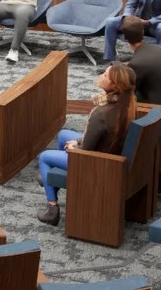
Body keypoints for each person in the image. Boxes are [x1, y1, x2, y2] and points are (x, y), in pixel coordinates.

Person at [36, 64, 135, 225]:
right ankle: (51, 180)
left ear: (114, 86)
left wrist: (75, 147)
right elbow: (99, 135)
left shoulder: (101, 114)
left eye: (105, 75)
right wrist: (78, 141)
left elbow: (87, 149)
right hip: (109, 150)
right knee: (63, 135)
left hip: (96, 162)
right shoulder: (126, 103)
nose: (101, 75)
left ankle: (52, 209)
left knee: (44, 157)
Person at [121, 16, 161, 104]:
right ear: (143, 32)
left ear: (125, 38)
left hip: (157, 112)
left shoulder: (136, 64)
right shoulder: (159, 48)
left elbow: (126, 93)